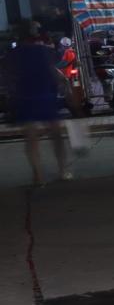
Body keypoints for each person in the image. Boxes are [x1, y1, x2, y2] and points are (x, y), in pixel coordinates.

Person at [5, 21, 72, 185]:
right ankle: (62, 170)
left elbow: (9, 76)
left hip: (25, 97)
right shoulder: (43, 51)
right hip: (44, 96)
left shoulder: (14, 54)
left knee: (31, 138)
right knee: (55, 135)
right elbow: (53, 71)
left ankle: (38, 175)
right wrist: (64, 85)